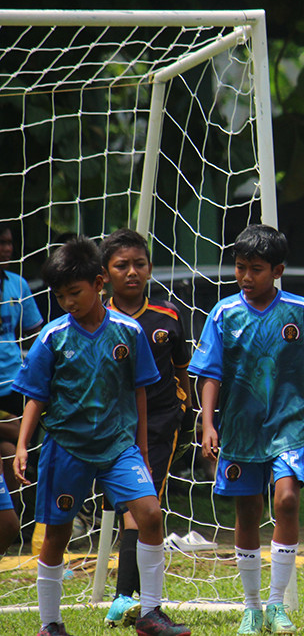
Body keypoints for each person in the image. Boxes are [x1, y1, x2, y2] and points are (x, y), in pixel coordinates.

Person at [11, 236, 189, 636]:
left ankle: (150, 613)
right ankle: (50, 624)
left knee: (150, 514)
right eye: (60, 296)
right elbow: (36, 396)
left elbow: (139, 391)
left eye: (74, 292)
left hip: (119, 447)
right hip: (66, 449)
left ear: (97, 283)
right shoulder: (53, 337)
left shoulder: (128, 332)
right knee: (57, 535)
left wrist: (142, 449)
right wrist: (23, 445)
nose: (67, 302)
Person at [189, 224, 304, 636]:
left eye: (257, 269)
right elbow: (210, 374)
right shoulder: (223, 313)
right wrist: (208, 424)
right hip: (241, 430)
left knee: (286, 501)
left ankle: (277, 603)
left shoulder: (300, 310)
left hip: (288, 424)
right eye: (240, 267)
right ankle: (252, 607)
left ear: (277, 271)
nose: (246, 277)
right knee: (247, 511)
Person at [99, 229, 193, 628]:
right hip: (110, 426)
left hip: (158, 423)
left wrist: (186, 410)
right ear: (105, 273)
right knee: (128, 510)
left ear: (151, 269)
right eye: (122, 265)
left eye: (139, 264)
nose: (132, 272)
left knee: (143, 505)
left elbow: (181, 368)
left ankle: (128, 598)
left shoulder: (167, 316)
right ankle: (130, 598)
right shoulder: (95, 318)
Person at [0, 222, 44, 527]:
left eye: (9, 243)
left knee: (13, 455)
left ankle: (16, 523)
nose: (6, 249)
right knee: (14, 439)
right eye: (1, 243)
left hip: (13, 384)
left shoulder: (18, 285)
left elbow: (35, 334)